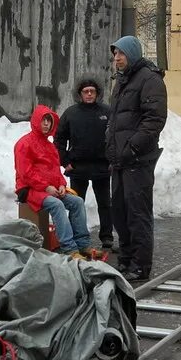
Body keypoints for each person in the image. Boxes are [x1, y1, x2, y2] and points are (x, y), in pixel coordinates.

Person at [105, 35, 166, 282]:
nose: (116, 58)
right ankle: (126, 260)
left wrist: (131, 148)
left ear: (132, 53)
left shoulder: (149, 80)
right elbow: (116, 120)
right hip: (119, 160)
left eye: (120, 53)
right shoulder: (122, 81)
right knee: (119, 212)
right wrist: (110, 146)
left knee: (137, 214)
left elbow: (154, 121)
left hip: (138, 160)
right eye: (114, 55)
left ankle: (140, 266)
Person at [14, 104, 93, 258]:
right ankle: (69, 248)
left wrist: (62, 184)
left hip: (49, 189)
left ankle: (83, 245)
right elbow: (26, 173)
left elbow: (56, 170)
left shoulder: (50, 146)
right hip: (29, 189)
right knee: (57, 205)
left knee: (77, 202)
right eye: (43, 120)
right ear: (36, 121)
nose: (46, 124)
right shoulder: (24, 143)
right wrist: (46, 187)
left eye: (49, 121)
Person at [54, 77, 114, 250]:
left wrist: (112, 160)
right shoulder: (71, 113)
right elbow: (59, 139)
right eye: (85, 91)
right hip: (78, 167)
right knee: (77, 204)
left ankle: (107, 237)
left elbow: (115, 137)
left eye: (92, 91)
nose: (89, 94)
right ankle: (76, 237)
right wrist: (65, 161)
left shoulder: (107, 112)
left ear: (97, 93)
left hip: (102, 167)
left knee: (105, 204)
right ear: (80, 94)